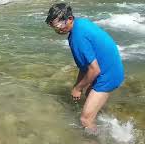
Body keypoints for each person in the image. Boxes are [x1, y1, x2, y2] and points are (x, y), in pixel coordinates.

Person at [45, 3, 124, 133]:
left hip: (108, 76)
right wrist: (78, 86)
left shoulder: (77, 37)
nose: (57, 29)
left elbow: (94, 70)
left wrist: (77, 88)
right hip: (112, 68)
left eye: (59, 25)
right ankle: (104, 120)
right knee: (88, 95)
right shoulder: (81, 24)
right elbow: (85, 67)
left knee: (85, 120)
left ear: (70, 19)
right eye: (53, 26)